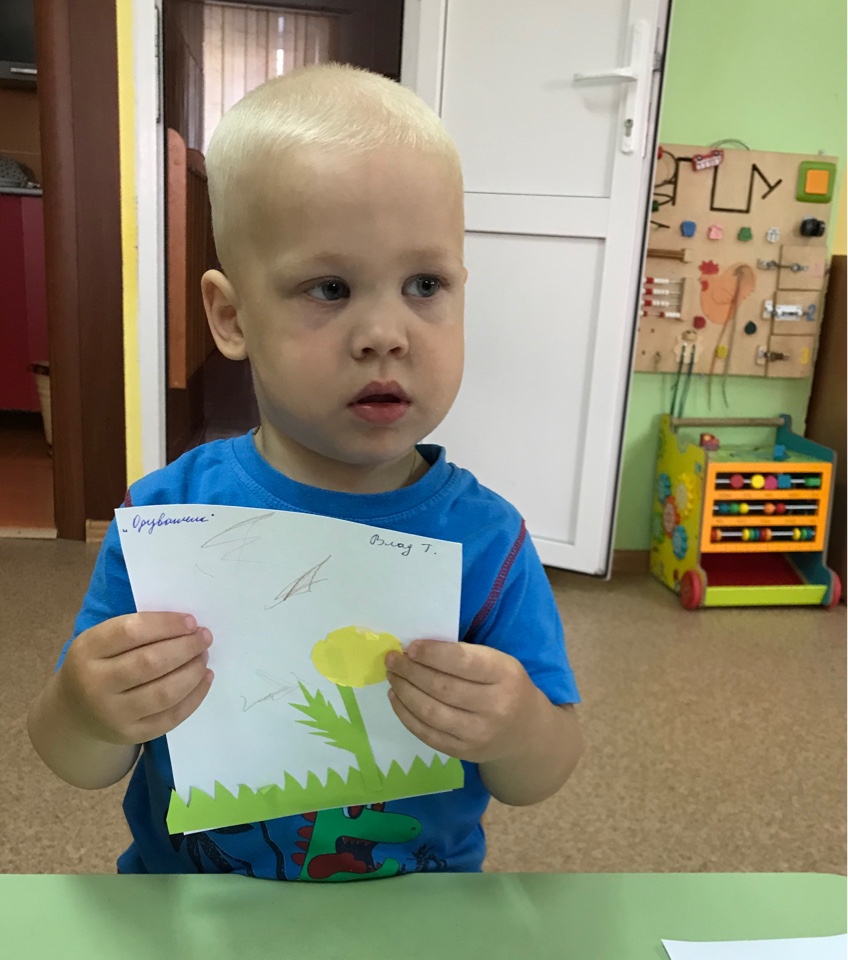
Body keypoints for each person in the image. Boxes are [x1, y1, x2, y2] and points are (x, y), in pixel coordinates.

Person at [27, 63, 583, 880]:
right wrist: (87, 709)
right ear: (231, 316)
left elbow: (543, 772)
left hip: (416, 916)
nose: (386, 333)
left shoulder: (489, 540)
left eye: (425, 284)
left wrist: (518, 726)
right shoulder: (169, 517)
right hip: (193, 910)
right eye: (329, 288)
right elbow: (75, 759)